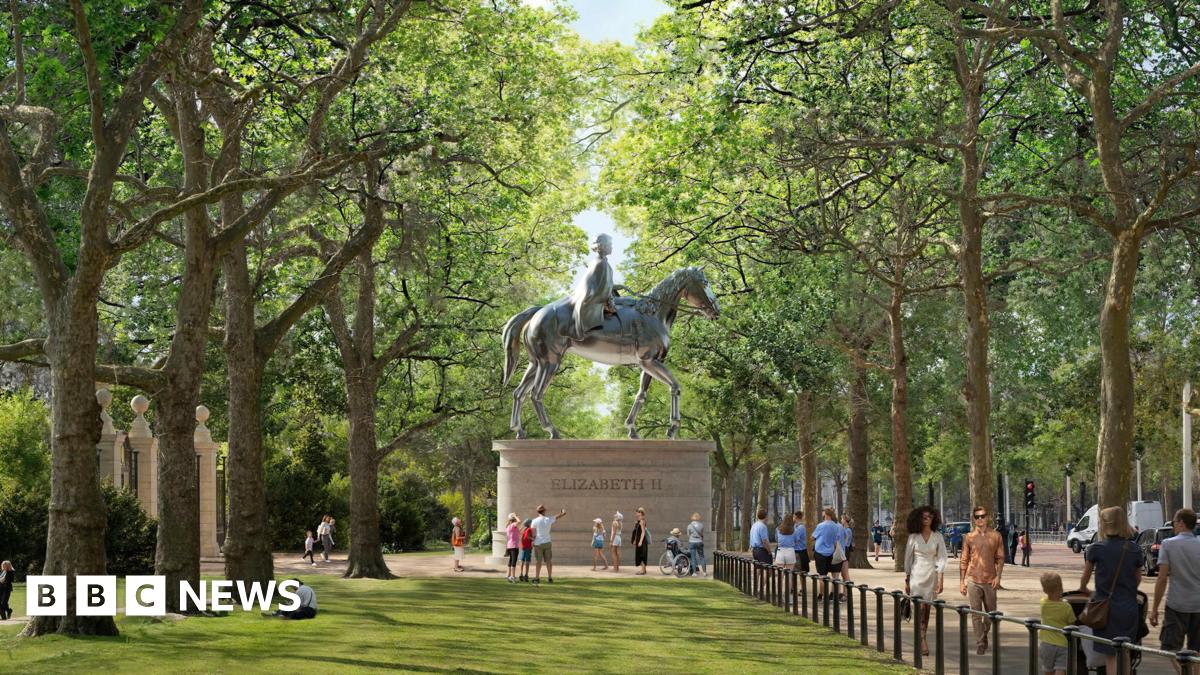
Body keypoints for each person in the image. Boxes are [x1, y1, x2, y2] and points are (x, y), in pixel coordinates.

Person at [1077, 506, 1143, 675]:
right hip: (1128, 608)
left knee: (1111, 654)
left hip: (1105, 609)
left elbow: (1083, 581)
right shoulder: (1134, 549)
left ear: (1104, 524)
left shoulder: (1095, 549)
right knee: (1126, 651)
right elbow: (1137, 580)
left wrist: (1088, 591)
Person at [1151, 508, 1200, 666]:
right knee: (1197, 649)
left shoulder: (1168, 544)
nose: (1172, 525)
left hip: (1176, 604)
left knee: (1171, 648)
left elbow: (1162, 578)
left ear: (1181, 523)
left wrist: (1154, 609)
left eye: (1174, 522)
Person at [960, 505, 1005, 655]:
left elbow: (1000, 558)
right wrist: (962, 582)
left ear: (988, 517)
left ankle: (984, 633)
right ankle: (980, 642)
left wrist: (998, 577)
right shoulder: (969, 537)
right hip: (973, 579)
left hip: (990, 580)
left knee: (991, 614)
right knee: (975, 613)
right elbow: (964, 560)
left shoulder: (996, 536)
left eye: (983, 516)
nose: (980, 519)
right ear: (974, 519)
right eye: (977, 517)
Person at [904, 506, 948, 657]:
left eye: (930, 516)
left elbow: (942, 558)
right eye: (924, 517)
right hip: (916, 575)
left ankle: (922, 634)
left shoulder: (938, 537)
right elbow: (908, 559)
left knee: (927, 609)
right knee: (919, 608)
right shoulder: (913, 537)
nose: (927, 519)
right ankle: (922, 639)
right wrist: (907, 578)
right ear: (919, 519)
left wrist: (941, 579)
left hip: (931, 575)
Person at [570, 233, 616, 339]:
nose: (612, 247)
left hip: (603, 295)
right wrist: (609, 300)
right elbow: (600, 287)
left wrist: (621, 287)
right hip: (595, 299)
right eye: (610, 244)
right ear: (603, 247)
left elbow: (606, 283)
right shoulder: (600, 263)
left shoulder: (602, 262)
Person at [1038, 572, 1074, 675]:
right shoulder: (1066, 607)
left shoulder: (1043, 603)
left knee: (1047, 669)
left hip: (1046, 643)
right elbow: (1072, 622)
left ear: (1044, 590)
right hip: (1062, 643)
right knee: (1061, 668)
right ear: (1061, 587)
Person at [531, 504, 567, 584]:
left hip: (538, 543)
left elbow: (533, 534)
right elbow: (557, 516)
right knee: (548, 561)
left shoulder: (534, 521)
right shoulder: (548, 519)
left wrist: (532, 541)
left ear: (538, 512)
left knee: (538, 561)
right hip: (547, 542)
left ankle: (537, 578)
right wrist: (562, 513)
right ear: (544, 511)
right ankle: (550, 577)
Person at [813, 508, 841, 599]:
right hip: (831, 552)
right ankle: (830, 595)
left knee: (822, 575)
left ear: (826, 514)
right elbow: (837, 539)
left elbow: (813, 537)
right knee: (833, 575)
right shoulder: (836, 526)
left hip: (820, 552)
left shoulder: (820, 525)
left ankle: (821, 594)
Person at [687, 512, 706, 577]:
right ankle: (704, 572)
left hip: (692, 542)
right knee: (702, 557)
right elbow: (702, 534)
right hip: (699, 542)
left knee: (693, 558)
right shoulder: (701, 525)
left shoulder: (689, 526)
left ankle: (694, 573)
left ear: (692, 518)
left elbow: (688, 535)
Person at [632, 507, 650, 575]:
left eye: (639, 515)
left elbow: (643, 532)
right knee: (642, 555)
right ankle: (644, 570)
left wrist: (640, 541)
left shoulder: (642, 521)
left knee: (641, 555)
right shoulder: (640, 521)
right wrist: (635, 540)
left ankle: (643, 570)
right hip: (640, 540)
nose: (637, 516)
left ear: (642, 514)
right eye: (637, 515)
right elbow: (637, 532)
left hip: (642, 541)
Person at [505, 513, 521, 583]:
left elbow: (518, 532)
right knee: (513, 561)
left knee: (511, 561)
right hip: (514, 546)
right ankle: (513, 576)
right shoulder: (512, 525)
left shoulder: (509, 526)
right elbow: (519, 521)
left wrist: (524, 527)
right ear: (513, 519)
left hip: (510, 545)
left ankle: (508, 575)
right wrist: (515, 516)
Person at [839, 514, 854, 587]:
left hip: (845, 550)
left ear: (845, 521)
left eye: (842, 519)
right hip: (844, 550)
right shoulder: (845, 529)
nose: (841, 520)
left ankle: (846, 591)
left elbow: (846, 542)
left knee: (845, 573)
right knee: (843, 573)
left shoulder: (847, 530)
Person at [519, 518, 534, 582]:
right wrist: (533, 538)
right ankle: (526, 575)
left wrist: (523, 525)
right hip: (527, 547)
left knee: (522, 560)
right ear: (529, 524)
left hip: (523, 547)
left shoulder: (524, 529)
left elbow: (521, 533)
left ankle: (521, 574)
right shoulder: (529, 529)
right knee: (527, 561)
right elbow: (527, 537)